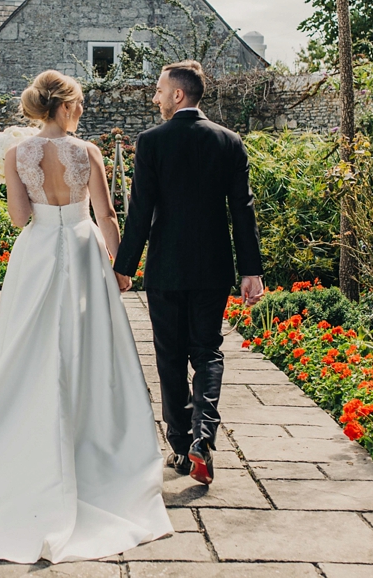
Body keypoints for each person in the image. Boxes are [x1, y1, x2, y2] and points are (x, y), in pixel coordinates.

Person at [0, 70, 172, 563]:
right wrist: (121, 268)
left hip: (39, 251)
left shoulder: (15, 155)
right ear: (64, 107)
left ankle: (29, 431)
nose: (83, 110)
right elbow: (107, 216)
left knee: (33, 344)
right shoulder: (89, 153)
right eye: (79, 103)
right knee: (89, 344)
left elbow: (19, 219)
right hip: (85, 251)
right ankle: (96, 442)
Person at [114, 60, 266, 486]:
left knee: (170, 358)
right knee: (208, 352)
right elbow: (243, 211)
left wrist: (123, 268)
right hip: (214, 267)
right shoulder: (229, 141)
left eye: (160, 90)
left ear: (178, 95)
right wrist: (250, 270)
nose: (156, 97)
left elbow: (140, 213)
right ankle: (204, 438)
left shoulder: (151, 141)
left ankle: (181, 449)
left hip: (166, 268)